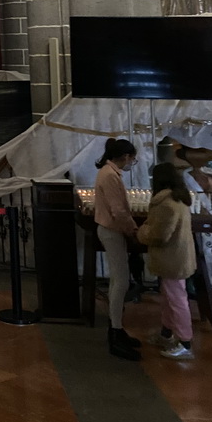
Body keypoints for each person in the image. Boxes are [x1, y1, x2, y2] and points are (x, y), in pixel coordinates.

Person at [137, 162, 197, 359]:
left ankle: (185, 341)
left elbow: (159, 235)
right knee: (170, 298)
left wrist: (142, 231)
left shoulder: (166, 204)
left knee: (177, 300)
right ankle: (167, 333)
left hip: (172, 259)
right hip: (177, 257)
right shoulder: (178, 199)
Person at [94, 137, 141, 360]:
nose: (133, 162)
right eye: (133, 159)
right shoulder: (110, 175)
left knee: (118, 281)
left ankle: (118, 328)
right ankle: (115, 330)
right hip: (112, 231)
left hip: (112, 230)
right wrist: (133, 230)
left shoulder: (108, 172)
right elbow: (118, 210)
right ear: (125, 157)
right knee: (120, 281)